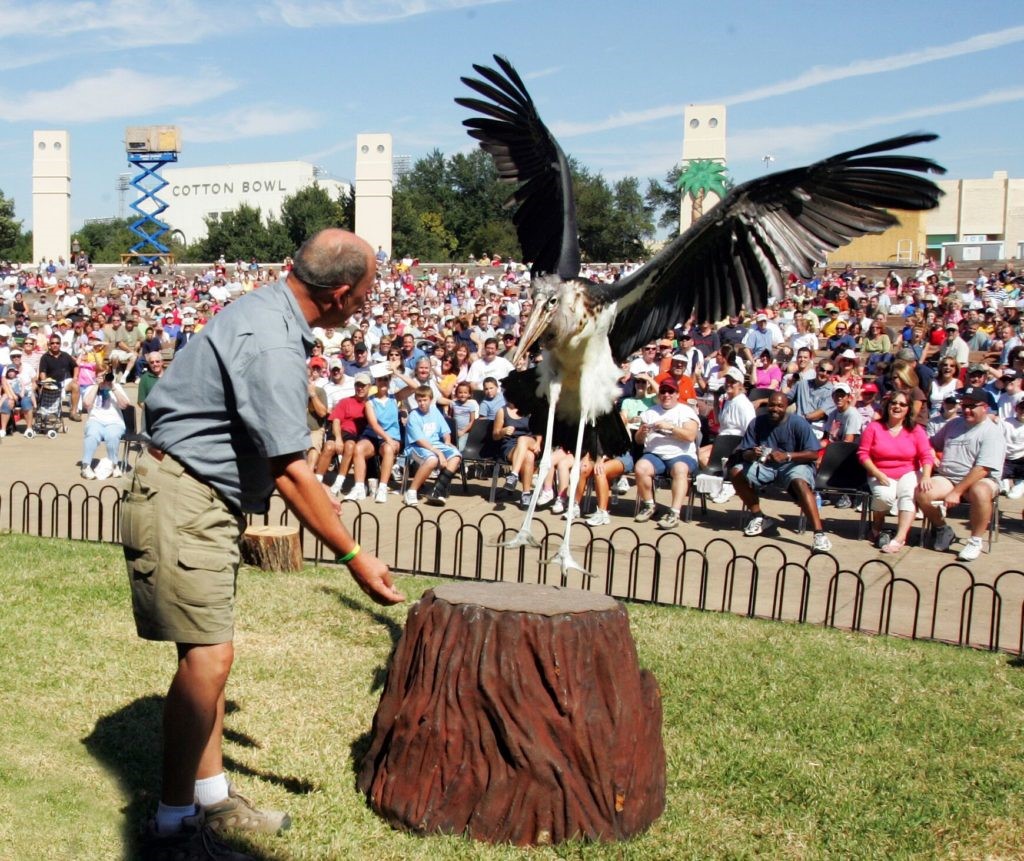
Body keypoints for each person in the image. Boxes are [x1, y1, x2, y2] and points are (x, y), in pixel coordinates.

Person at [121, 229, 403, 861]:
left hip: (200, 496)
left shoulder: (270, 312)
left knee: (208, 655)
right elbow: (289, 469)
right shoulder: (273, 339)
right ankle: (173, 828)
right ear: (339, 294)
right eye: (365, 293)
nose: (366, 303)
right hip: (185, 497)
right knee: (208, 659)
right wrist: (354, 557)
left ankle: (211, 799)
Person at [728, 390, 831, 552]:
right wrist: (752, 454)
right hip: (766, 466)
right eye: (772, 405)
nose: (775, 409)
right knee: (736, 471)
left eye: (779, 406)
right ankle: (759, 517)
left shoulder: (798, 423)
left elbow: (813, 454)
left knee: (800, 482)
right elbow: (744, 452)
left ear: (786, 407)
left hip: (794, 465)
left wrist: (788, 456)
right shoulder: (757, 423)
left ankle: (819, 534)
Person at [914, 386, 1005, 563]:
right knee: (923, 491)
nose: (967, 410)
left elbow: (983, 469)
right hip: (948, 477)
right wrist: (931, 453)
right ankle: (942, 528)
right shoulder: (953, 424)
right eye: (964, 406)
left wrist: (957, 492)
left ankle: (975, 540)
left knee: (980, 492)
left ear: (985, 407)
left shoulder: (992, 432)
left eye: (972, 406)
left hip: (982, 479)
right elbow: (931, 443)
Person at [858, 392, 935, 553]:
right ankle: (877, 525)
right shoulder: (874, 427)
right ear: (888, 405)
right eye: (894, 403)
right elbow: (863, 454)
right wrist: (877, 473)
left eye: (902, 404)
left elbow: (926, 455)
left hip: (909, 471)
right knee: (884, 496)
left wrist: (926, 476)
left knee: (908, 494)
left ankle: (899, 538)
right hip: (880, 471)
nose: (897, 406)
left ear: (908, 409)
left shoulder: (916, 430)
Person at [633, 377, 701, 530]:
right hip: (655, 454)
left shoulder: (686, 411)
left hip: (681, 454)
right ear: (659, 394)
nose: (666, 395)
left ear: (677, 394)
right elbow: (638, 440)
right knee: (640, 467)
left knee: (680, 469)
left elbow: (691, 436)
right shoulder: (650, 412)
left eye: (671, 391)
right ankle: (649, 505)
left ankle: (674, 513)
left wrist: (670, 427)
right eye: (663, 391)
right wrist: (642, 432)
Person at [404, 385, 462, 506]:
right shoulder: (413, 416)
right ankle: (411, 491)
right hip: (416, 446)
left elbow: (445, 431)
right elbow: (419, 440)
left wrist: (447, 442)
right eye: (419, 401)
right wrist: (439, 453)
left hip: (435, 444)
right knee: (432, 460)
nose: (422, 403)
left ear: (430, 400)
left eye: (425, 400)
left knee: (456, 455)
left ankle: (436, 490)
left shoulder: (435, 412)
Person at [80, 370, 130, 479]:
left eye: (106, 375)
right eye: (101, 376)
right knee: (92, 435)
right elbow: (87, 404)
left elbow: (125, 405)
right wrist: (96, 386)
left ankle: (114, 464)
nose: (104, 378)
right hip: (95, 420)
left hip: (114, 422)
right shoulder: (90, 388)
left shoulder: (116, 387)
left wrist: (113, 387)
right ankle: (86, 466)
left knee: (112, 436)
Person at [37, 333, 81, 420]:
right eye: (52, 343)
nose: (55, 345)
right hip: (51, 383)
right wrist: (45, 382)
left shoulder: (65, 355)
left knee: (75, 386)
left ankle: (73, 412)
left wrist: (75, 377)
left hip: (65, 382)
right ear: (49, 345)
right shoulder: (45, 357)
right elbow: (42, 372)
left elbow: (75, 366)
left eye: (57, 343)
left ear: (60, 344)